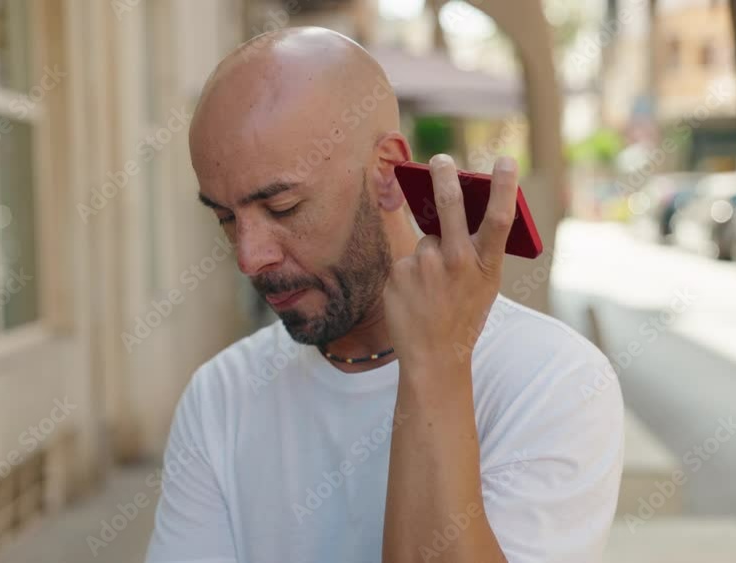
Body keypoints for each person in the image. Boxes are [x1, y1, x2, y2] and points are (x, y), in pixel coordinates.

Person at [145, 26, 623, 563]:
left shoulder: (552, 380)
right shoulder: (220, 397)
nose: (249, 257)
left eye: (283, 208)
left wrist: (438, 361)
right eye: (226, 218)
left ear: (387, 171)